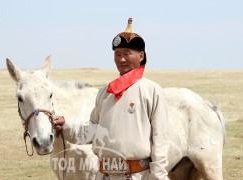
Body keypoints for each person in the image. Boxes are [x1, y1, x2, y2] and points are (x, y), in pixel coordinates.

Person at [54, 18, 170, 180]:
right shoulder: (105, 92)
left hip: (138, 175)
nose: (121, 59)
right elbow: (94, 130)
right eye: (117, 54)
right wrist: (65, 125)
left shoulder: (151, 90)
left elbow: (161, 138)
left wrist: (158, 176)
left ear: (141, 56)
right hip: (105, 175)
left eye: (127, 54)